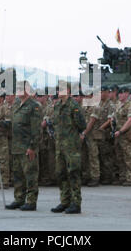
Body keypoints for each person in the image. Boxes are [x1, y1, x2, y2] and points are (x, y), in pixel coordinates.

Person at [5, 81, 41, 211]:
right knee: (18, 175)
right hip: (16, 146)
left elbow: (36, 129)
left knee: (30, 174)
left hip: (27, 147)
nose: (18, 90)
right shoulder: (16, 105)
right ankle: (19, 199)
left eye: (21, 88)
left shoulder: (33, 106)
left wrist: (32, 147)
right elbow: (13, 124)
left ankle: (31, 201)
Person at [51, 82, 86, 214]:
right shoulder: (58, 106)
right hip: (60, 146)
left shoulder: (73, 106)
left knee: (73, 173)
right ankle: (65, 201)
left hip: (71, 146)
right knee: (61, 173)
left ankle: (76, 203)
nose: (59, 91)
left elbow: (82, 124)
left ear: (68, 90)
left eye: (61, 89)